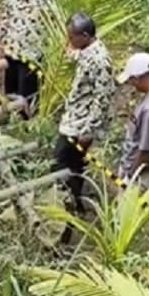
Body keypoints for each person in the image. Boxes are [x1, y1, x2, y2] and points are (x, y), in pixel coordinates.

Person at [52, 13, 115, 219]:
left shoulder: (100, 61)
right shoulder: (87, 50)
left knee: (64, 161)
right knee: (72, 163)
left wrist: (87, 131)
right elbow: (83, 59)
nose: (69, 41)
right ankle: (74, 201)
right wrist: (72, 53)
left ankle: (72, 203)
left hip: (81, 124)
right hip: (74, 116)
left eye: (72, 37)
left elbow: (102, 99)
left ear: (85, 35)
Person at [0, 0, 53, 111]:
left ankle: (27, 124)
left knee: (28, 94)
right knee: (11, 91)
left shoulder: (44, 1)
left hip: (31, 56)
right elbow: (6, 17)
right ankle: (12, 121)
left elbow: (54, 27)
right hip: (12, 51)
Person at [116, 51, 149, 189]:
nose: (131, 84)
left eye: (131, 80)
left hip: (146, 178)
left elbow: (146, 151)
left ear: (137, 79)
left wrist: (131, 176)